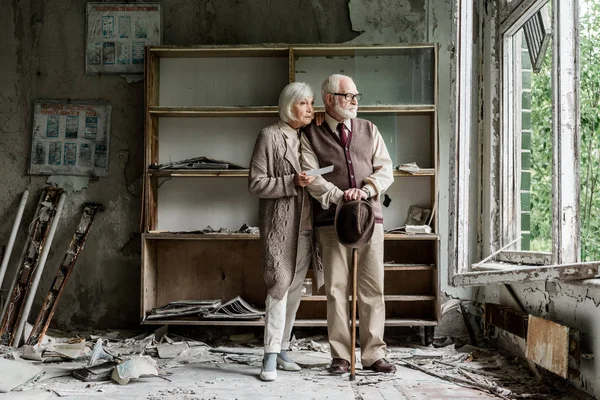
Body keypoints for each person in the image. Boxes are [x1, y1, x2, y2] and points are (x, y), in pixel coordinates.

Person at [300, 74, 396, 374]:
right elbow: (311, 176)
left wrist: (366, 190)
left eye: (356, 96)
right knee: (336, 289)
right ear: (329, 99)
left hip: (370, 221)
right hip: (331, 223)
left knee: (372, 289)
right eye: (347, 96)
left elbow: (386, 169)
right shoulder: (311, 134)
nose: (354, 102)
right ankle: (341, 355)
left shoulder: (369, 129)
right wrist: (341, 196)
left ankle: (373, 354)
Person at [248, 82, 320, 381]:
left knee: (294, 292)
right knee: (278, 286)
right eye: (305, 104)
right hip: (280, 228)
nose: (311, 109)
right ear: (290, 105)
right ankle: (268, 356)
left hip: (306, 229)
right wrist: (292, 182)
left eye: (312, 103)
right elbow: (256, 183)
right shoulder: (270, 135)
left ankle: (282, 347)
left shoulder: (305, 138)